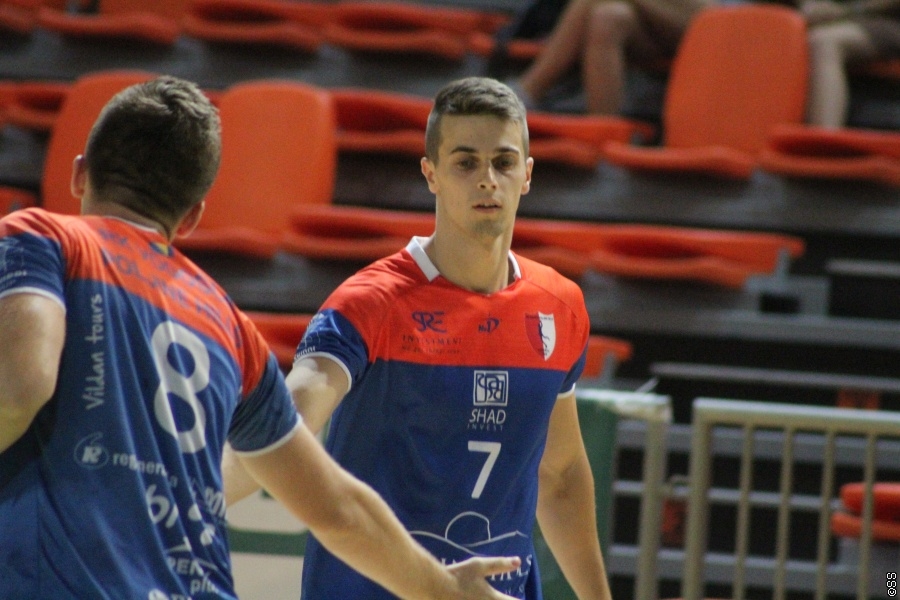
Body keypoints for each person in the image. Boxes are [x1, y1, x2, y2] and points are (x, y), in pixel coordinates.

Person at [0, 75, 522, 600]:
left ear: (79, 175)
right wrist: (442, 587)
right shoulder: (229, 324)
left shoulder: (43, 238)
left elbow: (20, 390)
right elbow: (337, 508)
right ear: (193, 216)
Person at [240, 76, 612, 599]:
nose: (487, 180)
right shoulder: (372, 300)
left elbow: (563, 474)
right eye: (465, 163)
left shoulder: (558, 306)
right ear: (431, 173)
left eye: (503, 162)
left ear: (527, 174)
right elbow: (286, 424)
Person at [511, 0, 711, 115]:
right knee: (608, 18)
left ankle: (527, 90)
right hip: (655, 26)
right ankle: (603, 132)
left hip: (713, 22)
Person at [799, 0, 900, 127]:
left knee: (824, 42)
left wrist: (849, 10)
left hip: (886, 20)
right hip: (835, 19)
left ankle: (824, 134)